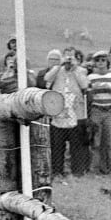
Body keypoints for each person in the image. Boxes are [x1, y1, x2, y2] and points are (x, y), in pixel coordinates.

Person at [44, 47, 90, 175]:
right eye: (67, 56)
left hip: (76, 114)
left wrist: (74, 68)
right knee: (57, 145)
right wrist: (59, 65)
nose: (69, 59)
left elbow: (84, 85)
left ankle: (77, 171)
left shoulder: (81, 70)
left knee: (76, 145)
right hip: (59, 113)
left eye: (72, 56)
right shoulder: (57, 69)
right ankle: (57, 171)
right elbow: (47, 79)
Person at [87, 50, 111, 174]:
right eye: (97, 60)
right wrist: (94, 91)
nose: (100, 63)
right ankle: (95, 169)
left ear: (107, 62)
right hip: (96, 110)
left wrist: (109, 90)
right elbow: (89, 98)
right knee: (96, 142)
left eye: (103, 60)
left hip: (110, 111)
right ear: (94, 63)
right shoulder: (91, 77)